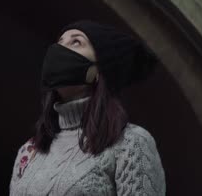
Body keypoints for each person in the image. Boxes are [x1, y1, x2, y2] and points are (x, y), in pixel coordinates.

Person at [9, 20, 166, 195]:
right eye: (60, 42)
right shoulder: (30, 150)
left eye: (76, 42)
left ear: (99, 70)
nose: (59, 49)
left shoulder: (131, 143)